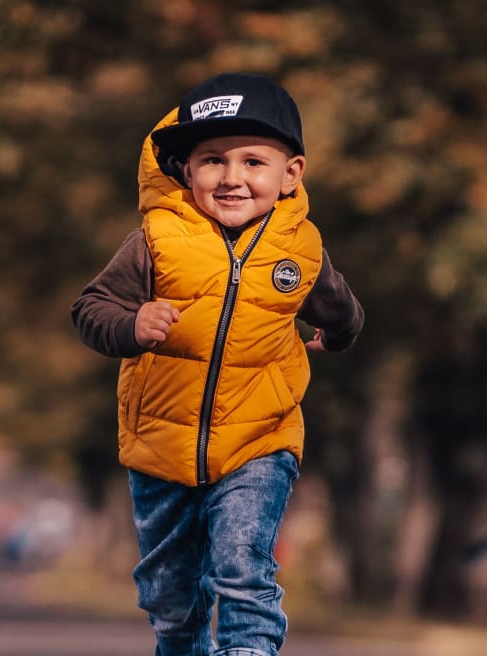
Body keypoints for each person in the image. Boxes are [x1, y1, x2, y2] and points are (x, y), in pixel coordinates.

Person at [71, 72, 364, 656]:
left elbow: (341, 309)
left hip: (262, 437)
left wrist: (336, 337)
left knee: (242, 567)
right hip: (161, 445)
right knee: (171, 596)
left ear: (290, 174)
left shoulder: (300, 250)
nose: (232, 178)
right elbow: (90, 309)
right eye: (212, 161)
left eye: (254, 161)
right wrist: (132, 326)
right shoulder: (155, 241)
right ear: (185, 171)